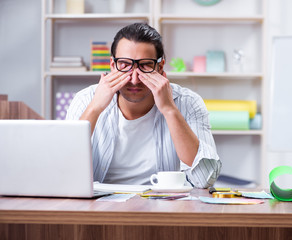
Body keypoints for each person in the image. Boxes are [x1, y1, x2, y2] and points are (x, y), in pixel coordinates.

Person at [66, 22, 221, 188]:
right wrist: (95, 108)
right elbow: (63, 169)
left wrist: (169, 110)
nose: (134, 79)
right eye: (125, 65)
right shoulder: (85, 100)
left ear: (160, 68)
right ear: (112, 66)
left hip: (162, 208)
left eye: (145, 65)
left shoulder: (188, 103)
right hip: (100, 209)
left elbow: (204, 179)